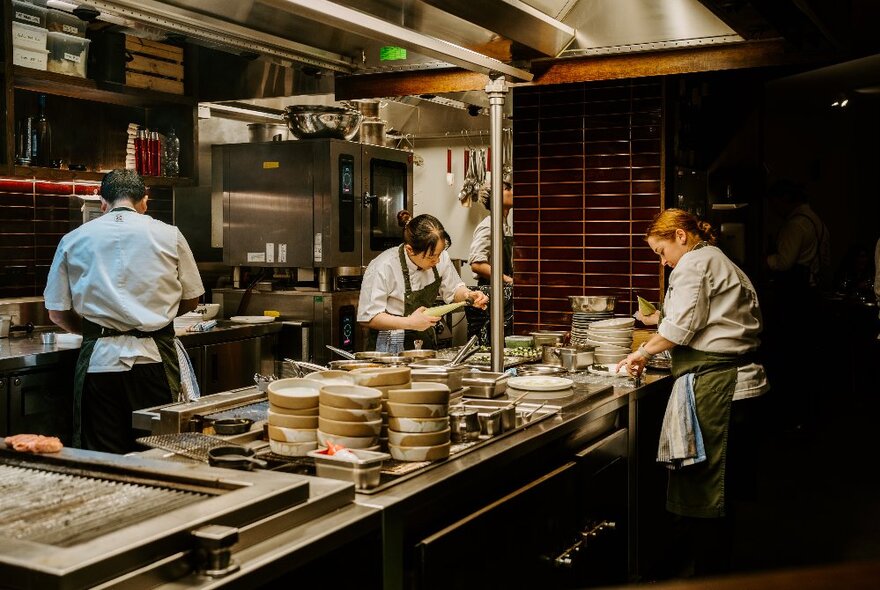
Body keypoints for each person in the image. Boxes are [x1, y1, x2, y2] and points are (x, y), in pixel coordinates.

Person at [616, 208, 769, 577]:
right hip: (736, 382)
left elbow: (682, 328)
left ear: (680, 237)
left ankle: (709, 576)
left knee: (708, 490)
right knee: (718, 492)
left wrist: (641, 351)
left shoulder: (693, 265)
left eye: (661, 251)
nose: (664, 262)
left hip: (721, 387)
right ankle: (711, 569)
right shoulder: (715, 260)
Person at [44, 169, 204, 453]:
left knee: (102, 455)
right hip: (154, 360)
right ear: (145, 200)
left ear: (102, 201)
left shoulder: (73, 239)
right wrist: (156, 318)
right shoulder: (169, 234)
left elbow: (57, 312)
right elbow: (192, 299)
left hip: (100, 364)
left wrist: (99, 333)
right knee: (160, 449)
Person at [357, 211, 488, 352]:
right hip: (389, 346)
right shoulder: (383, 266)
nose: (437, 260)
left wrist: (469, 295)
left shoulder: (440, 258)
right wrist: (409, 323)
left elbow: (454, 290)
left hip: (424, 341)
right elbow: (368, 317)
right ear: (410, 250)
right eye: (432, 256)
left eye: (439, 254)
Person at [762, 179, 830, 430]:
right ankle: (806, 415)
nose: (774, 208)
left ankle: (791, 417)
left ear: (786, 199)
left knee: (791, 356)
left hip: (795, 299)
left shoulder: (796, 224)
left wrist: (762, 260)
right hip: (810, 296)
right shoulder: (817, 221)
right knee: (806, 357)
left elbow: (783, 262)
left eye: (775, 202)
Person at [466, 177, 514, 344]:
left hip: (504, 293)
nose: (512, 192)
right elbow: (477, 263)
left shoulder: (504, 225)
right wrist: (507, 280)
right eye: (507, 188)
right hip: (490, 296)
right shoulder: (489, 225)